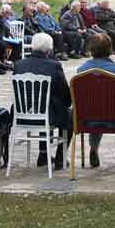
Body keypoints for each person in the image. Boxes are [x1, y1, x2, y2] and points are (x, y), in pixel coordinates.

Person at [76, 33, 115, 168]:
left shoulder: (81, 70)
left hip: (88, 118)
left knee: (94, 106)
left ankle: (93, 149)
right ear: (110, 49)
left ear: (91, 49)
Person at [14, 32, 71, 169]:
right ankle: (60, 157)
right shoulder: (54, 65)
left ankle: (43, 154)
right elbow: (64, 92)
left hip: (23, 114)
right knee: (68, 116)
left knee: (45, 105)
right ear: (49, 49)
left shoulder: (19, 64)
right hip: (47, 114)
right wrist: (67, 102)